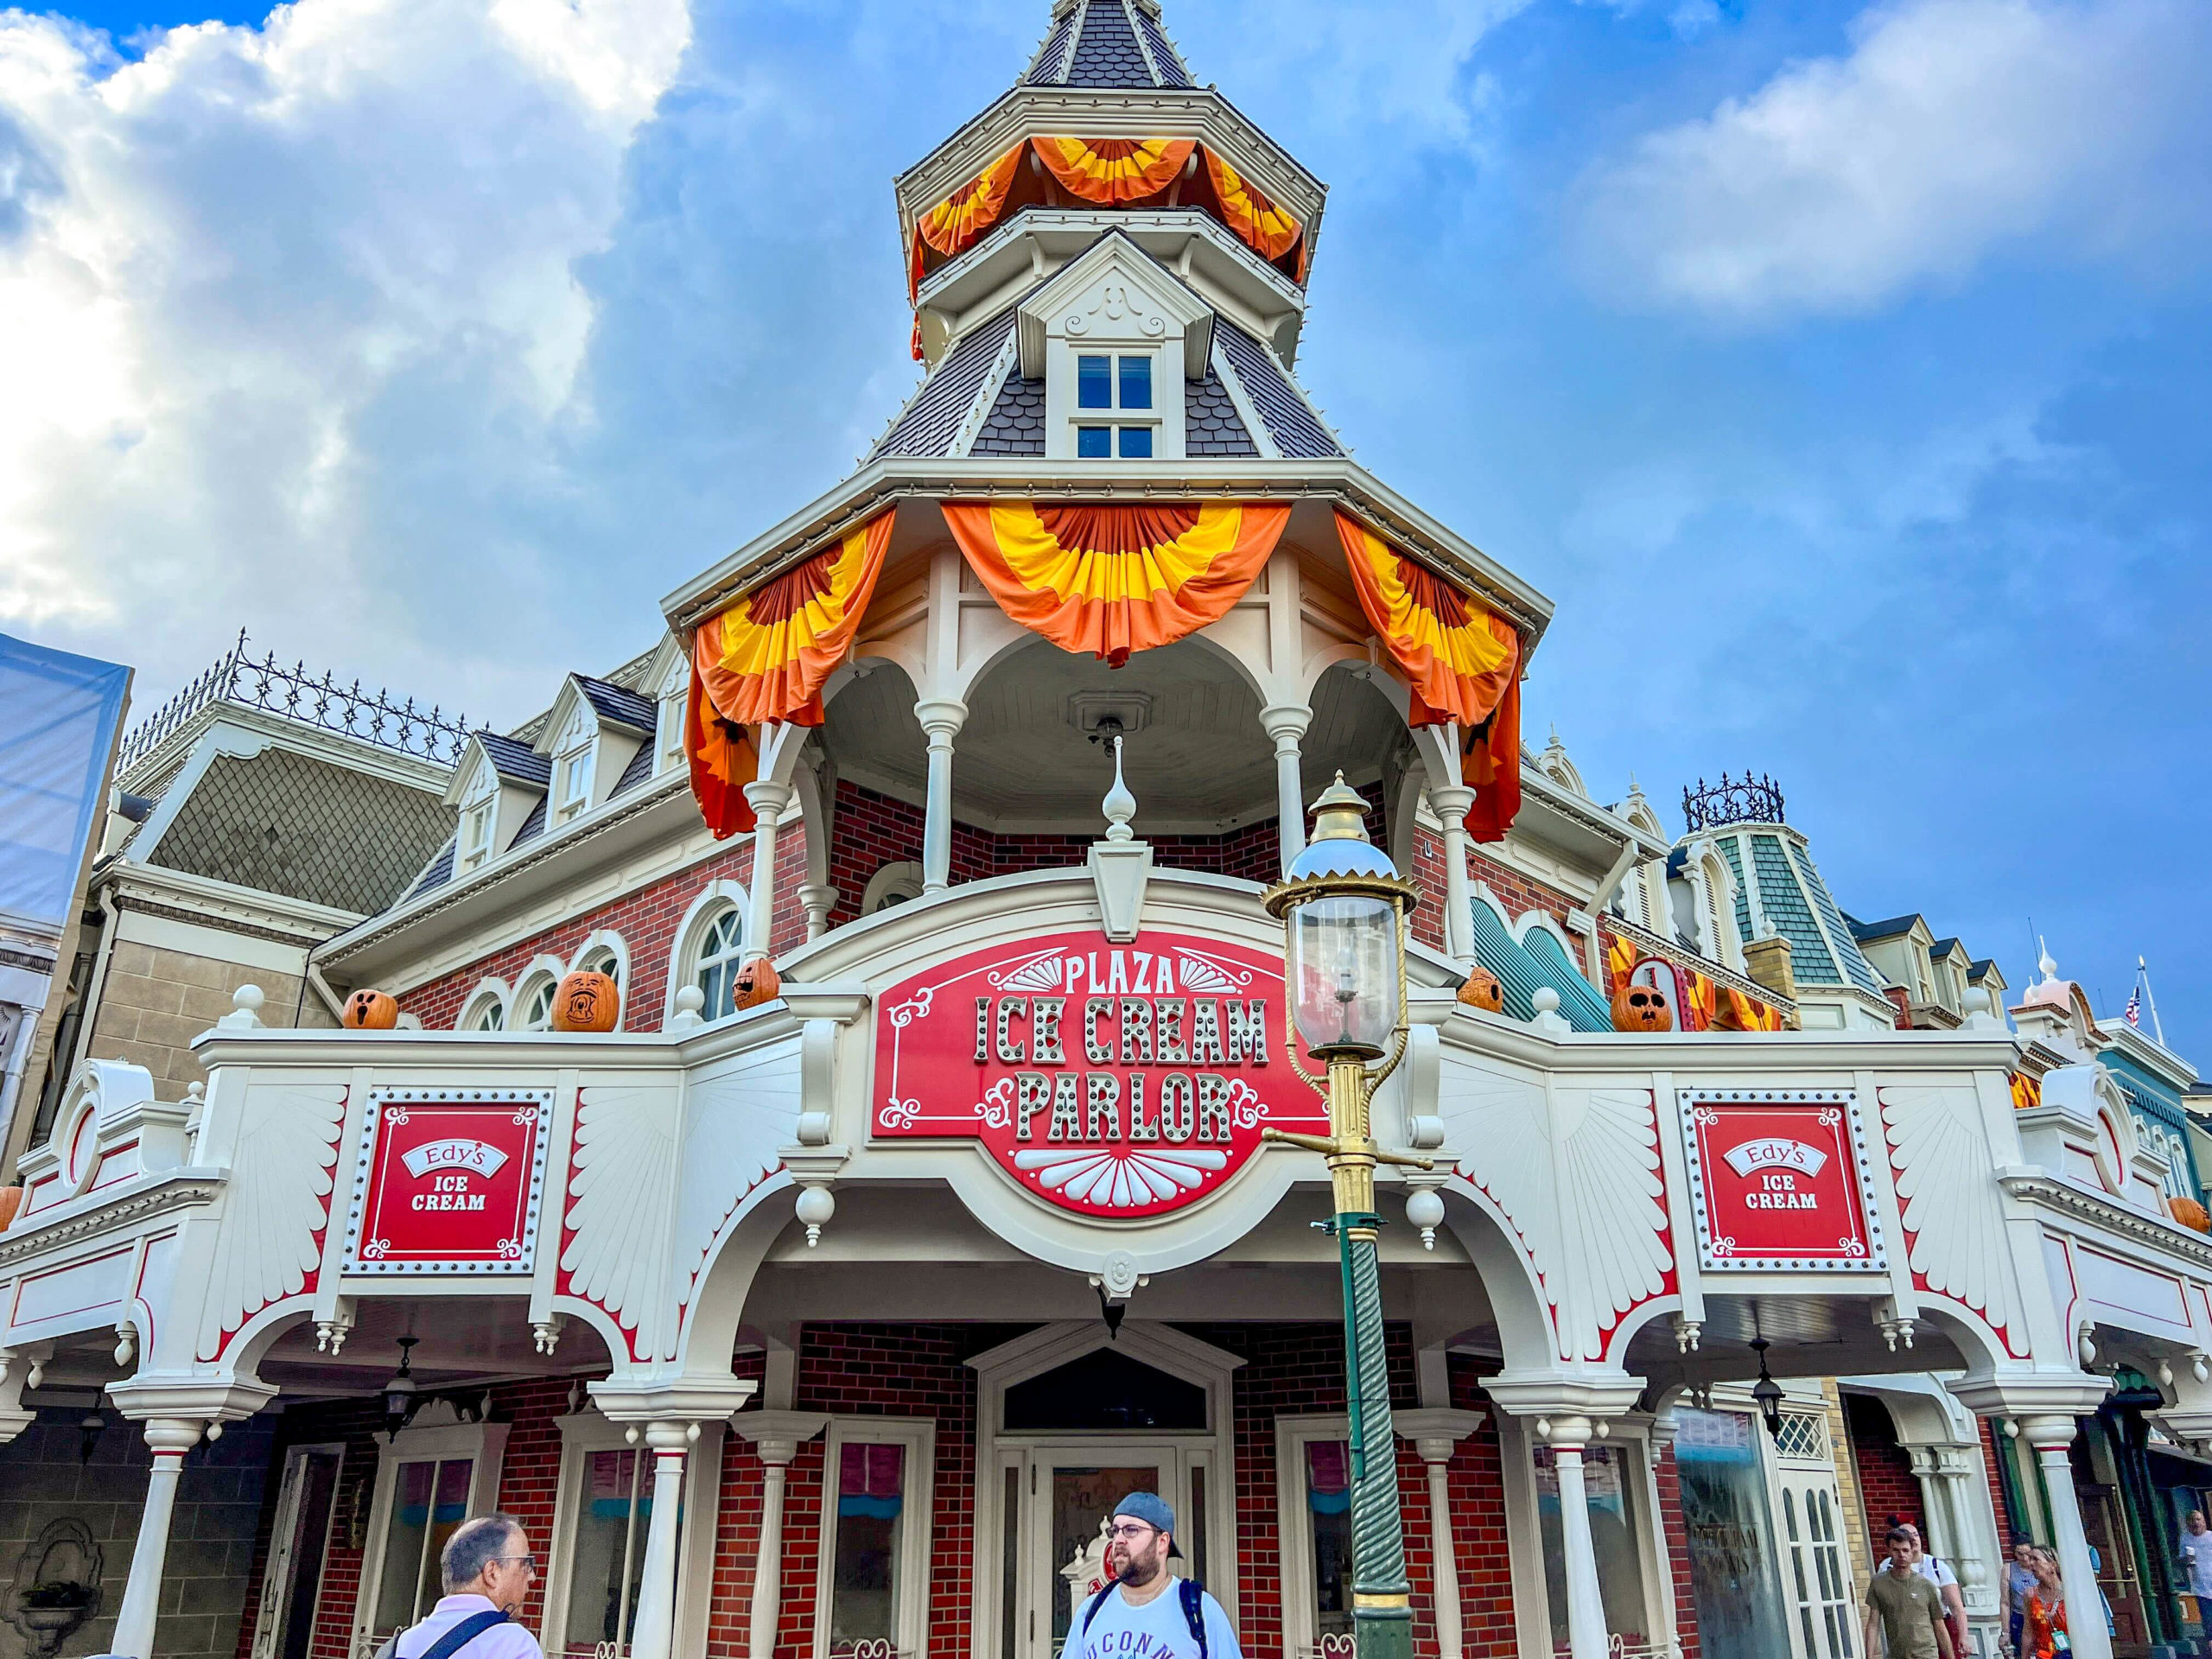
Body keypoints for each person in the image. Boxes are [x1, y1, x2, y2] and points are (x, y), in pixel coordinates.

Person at [1068, 1493, 1243, 1659]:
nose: (1119, 1539)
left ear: (1162, 1542)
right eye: (1115, 1531)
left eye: (1131, 1530)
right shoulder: (1090, 1611)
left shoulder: (1201, 1611)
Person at [375, 1514, 543, 1659]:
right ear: (492, 1573)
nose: (532, 1576)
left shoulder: (395, 1648)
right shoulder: (515, 1645)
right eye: (526, 1563)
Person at [1864, 1525, 1956, 1659]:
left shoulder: (1926, 1585)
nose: (1901, 1555)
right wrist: (1869, 1656)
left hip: (1926, 1653)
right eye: (1896, 1550)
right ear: (1889, 1551)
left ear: (1912, 1552)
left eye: (1905, 1550)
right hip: (1897, 1654)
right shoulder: (1878, 1584)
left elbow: (1939, 1625)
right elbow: (1873, 1623)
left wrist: (1950, 1657)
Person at [1898, 1522, 1971, 1658]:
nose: (1914, 1539)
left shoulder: (1936, 1566)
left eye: (1916, 1535)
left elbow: (1957, 1607)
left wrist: (1964, 1637)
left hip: (1940, 1625)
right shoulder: (1887, 1568)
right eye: (1908, 1536)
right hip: (1906, 1629)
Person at [2022, 1546, 2069, 1658]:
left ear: (2052, 1564)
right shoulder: (2030, 1594)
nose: (2031, 1563)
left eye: (2035, 1559)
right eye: (2030, 1559)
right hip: (2044, 1655)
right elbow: (2028, 1632)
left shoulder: (2069, 1592)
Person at [2005, 1537, 2040, 1657]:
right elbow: (2005, 1602)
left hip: (2038, 1615)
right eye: (2020, 1554)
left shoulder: (2039, 1566)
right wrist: (2005, 1632)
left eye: (2028, 1554)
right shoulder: (2009, 1569)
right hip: (2019, 1616)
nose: (2025, 1558)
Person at [2181, 1510, 2212, 1609]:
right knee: (2208, 1620)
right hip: (2200, 1588)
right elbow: (2181, 1560)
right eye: (2192, 1520)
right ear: (2188, 1523)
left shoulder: (2210, 1537)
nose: (2196, 1523)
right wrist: (2187, 1559)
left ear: (2204, 1522)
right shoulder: (2185, 1538)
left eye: (2198, 1519)